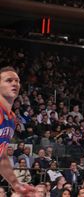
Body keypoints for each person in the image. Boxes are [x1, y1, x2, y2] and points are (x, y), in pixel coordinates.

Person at [0, 66, 35, 197]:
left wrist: (16, 185)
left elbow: (1, 158)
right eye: (8, 80)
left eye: (17, 80)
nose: (14, 83)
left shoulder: (12, 118)